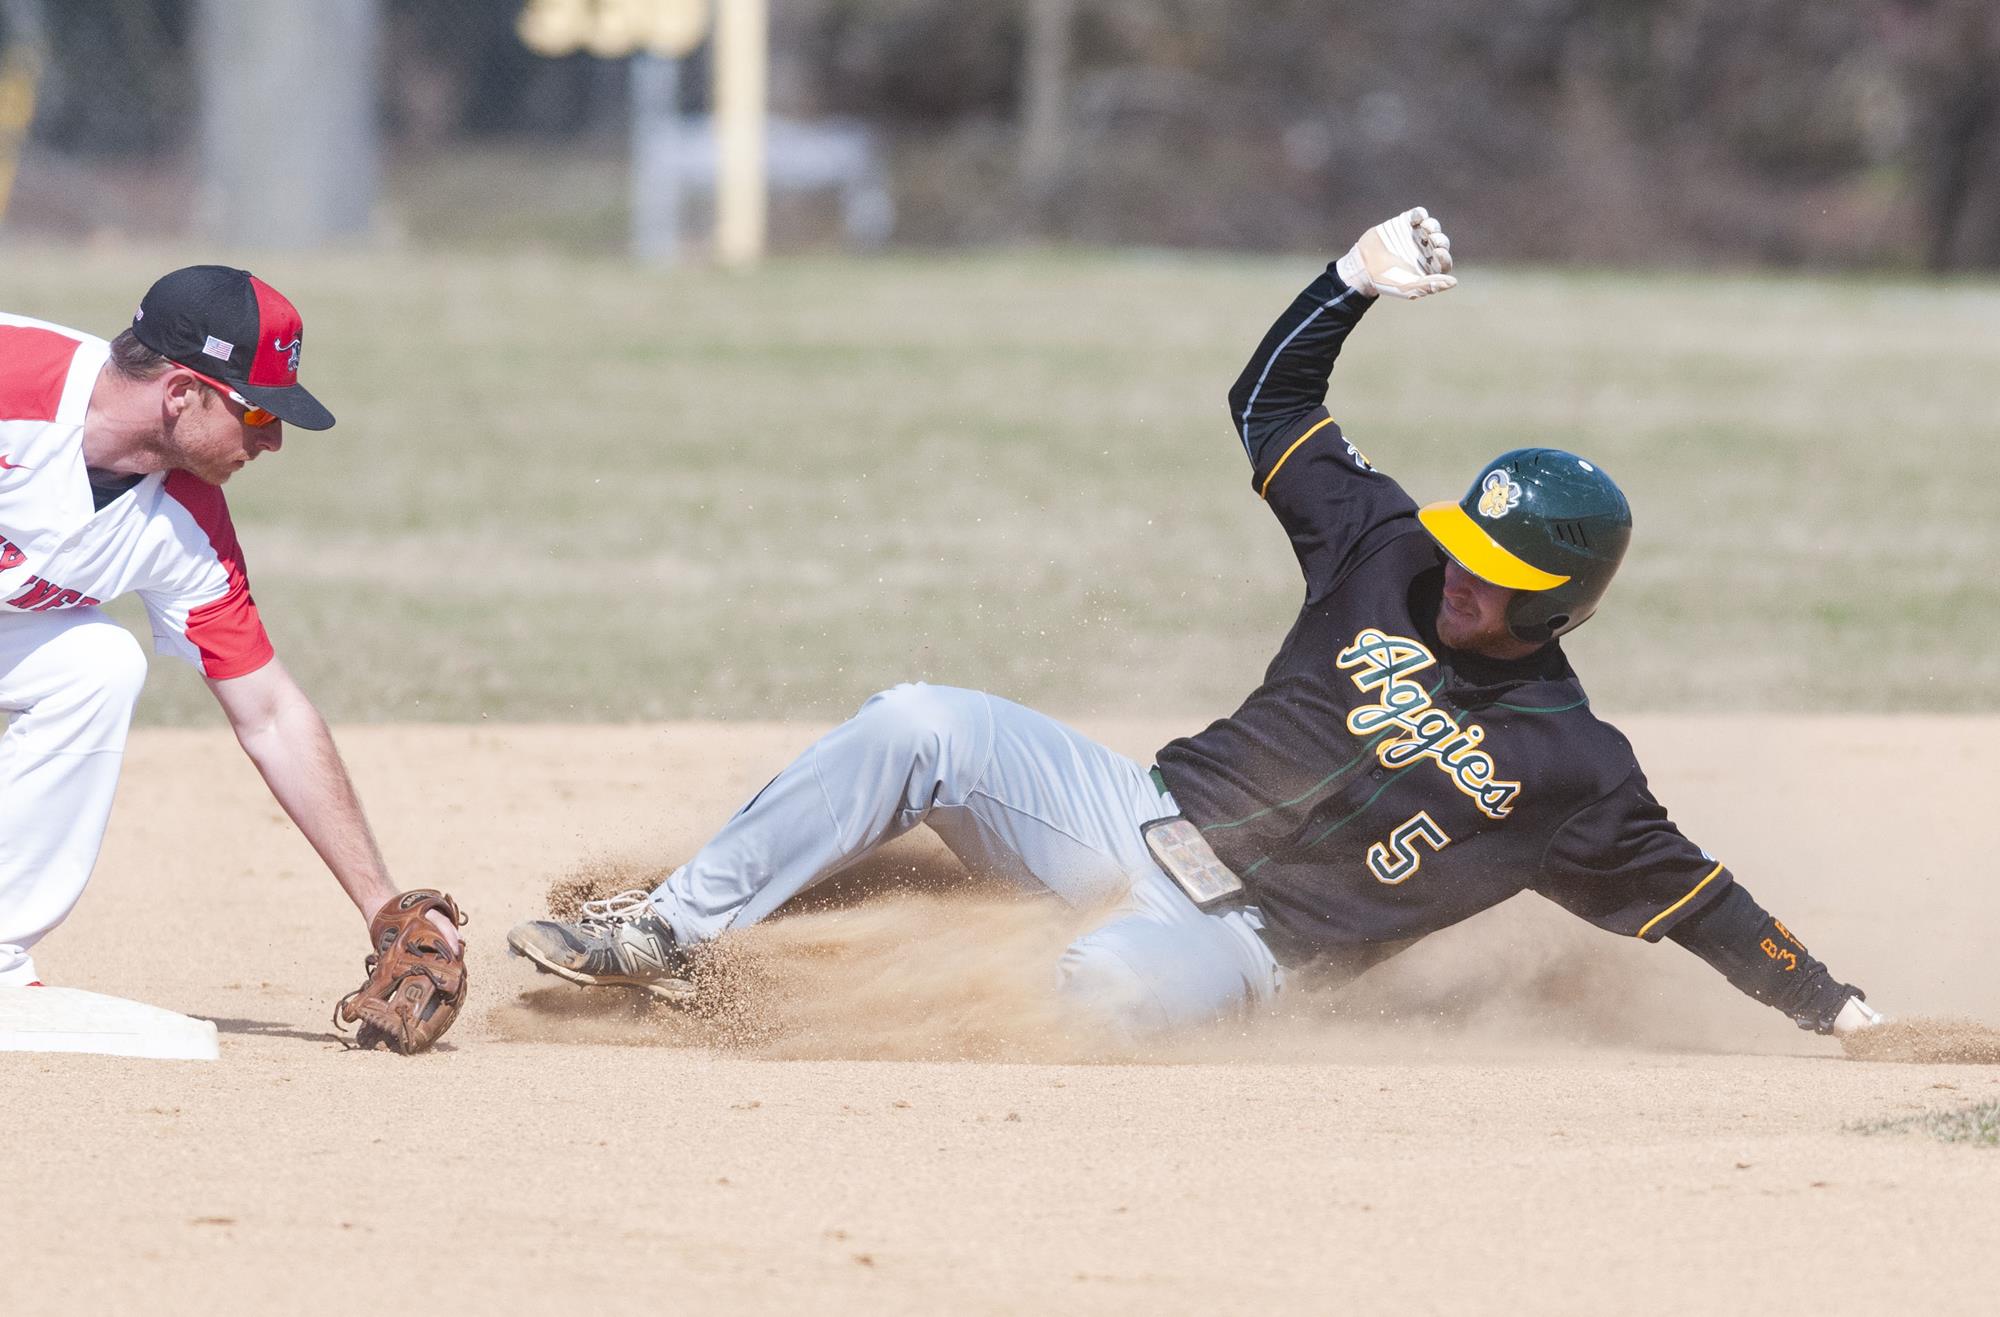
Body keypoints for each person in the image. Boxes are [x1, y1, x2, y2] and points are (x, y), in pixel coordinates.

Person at [509, 209, 1883, 1043]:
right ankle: (669, 935)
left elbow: (1710, 907)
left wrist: (1842, 1013)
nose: (1462, 577)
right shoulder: (1389, 552)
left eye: (1498, 573)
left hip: (1241, 948)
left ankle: (780, 1004)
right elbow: (1269, 410)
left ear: (1564, 600)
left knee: (1090, 996)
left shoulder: (1579, 770)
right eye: (1468, 546)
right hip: (1127, 810)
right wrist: (1345, 281)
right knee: (919, 719)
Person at [0, 266, 460, 1011]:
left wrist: (383, 903)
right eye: (256, 415)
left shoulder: (186, 522)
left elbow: (270, 712)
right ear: (181, 393)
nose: (274, 440)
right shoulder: (16, 385)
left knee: (99, 664)